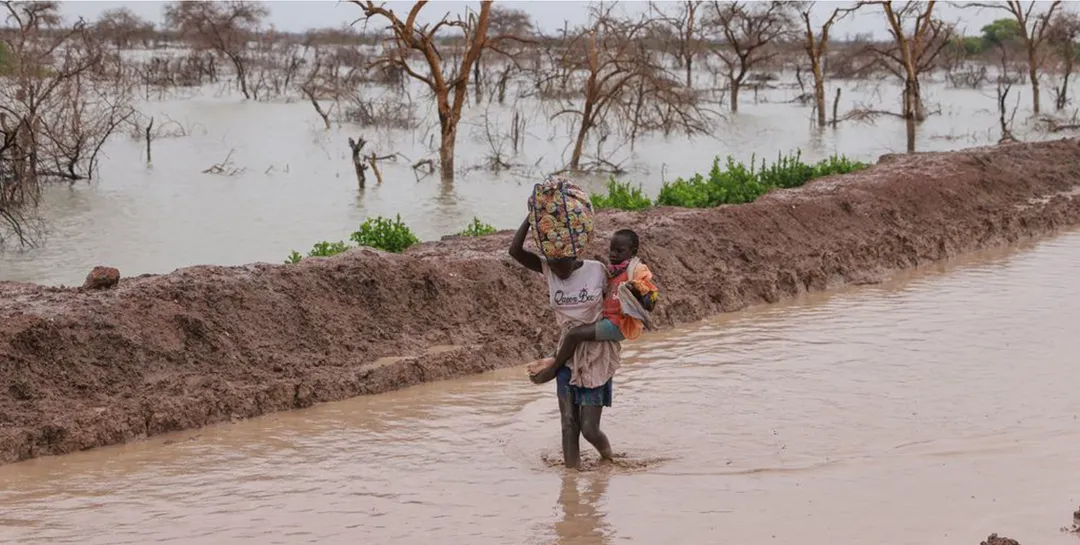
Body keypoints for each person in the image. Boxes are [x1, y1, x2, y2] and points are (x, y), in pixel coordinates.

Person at [509, 216, 620, 469]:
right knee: (568, 423)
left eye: (563, 262)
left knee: (590, 429)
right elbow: (514, 251)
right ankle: (571, 482)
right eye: (553, 262)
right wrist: (531, 218)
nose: (559, 270)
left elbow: (616, 307)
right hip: (566, 351)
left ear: (575, 253)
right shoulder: (548, 268)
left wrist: (551, 367)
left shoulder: (597, 270)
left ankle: (608, 458)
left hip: (595, 352)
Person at [527, 229, 659, 381]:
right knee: (575, 332)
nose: (613, 254)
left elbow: (650, 299)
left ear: (633, 252)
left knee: (574, 334)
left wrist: (639, 291)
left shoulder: (636, 269)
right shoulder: (612, 271)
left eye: (619, 251)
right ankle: (553, 356)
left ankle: (553, 369)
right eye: (611, 250)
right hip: (607, 319)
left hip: (618, 324)